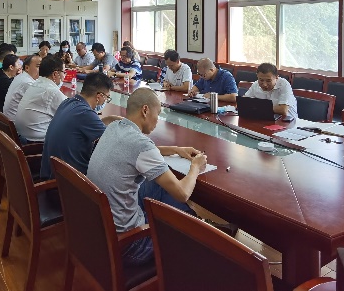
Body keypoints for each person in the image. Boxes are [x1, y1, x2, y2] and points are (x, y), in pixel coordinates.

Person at [87, 88, 207, 265]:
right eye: (158, 114)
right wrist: (196, 166)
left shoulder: (114, 127)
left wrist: (175, 149)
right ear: (145, 110)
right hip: (129, 244)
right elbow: (183, 194)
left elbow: (138, 152)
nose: (158, 120)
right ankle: (198, 232)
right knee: (184, 230)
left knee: (158, 184)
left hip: (99, 230)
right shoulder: (141, 144)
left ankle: (196, 223)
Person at [39, 73, 122, 181]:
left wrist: (110, 118)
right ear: (99, 96)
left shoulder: (68, 102)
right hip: (68, 182)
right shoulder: (85, 114)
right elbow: (114, 142)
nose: (105, 101)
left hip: (52, 172)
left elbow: (88, 124)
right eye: (107, 97)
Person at [14, 55, 66, 143]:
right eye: (64, 72)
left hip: (23, 137)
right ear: (55, 74)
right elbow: (71, 113)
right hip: (36, 144)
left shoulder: (36, 84)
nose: (65, 76)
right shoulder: (51, 91)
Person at [4, 55, 41, 120]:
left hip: (9, 119)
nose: (42, 69)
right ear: (27, 68)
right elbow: (40, 105)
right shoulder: (27, 83)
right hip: (15, 122)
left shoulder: (21, 76)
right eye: (38, 66)